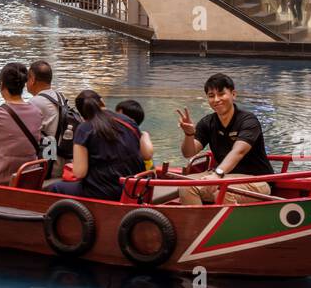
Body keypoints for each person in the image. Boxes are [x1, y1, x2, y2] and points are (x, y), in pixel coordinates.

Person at [176, 73, 276, 205]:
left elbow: (238, 152)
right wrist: (188, 135)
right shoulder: (207, 122)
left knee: (224, 191)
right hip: (224, 176)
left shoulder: (248, 120)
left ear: (233, 94)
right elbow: (188, 153)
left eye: (221, 94)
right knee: (186, 186)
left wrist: (217, 174)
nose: (216, 99)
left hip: (256, 179)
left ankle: (227, 225)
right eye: (211, 96)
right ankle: (200, 224)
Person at [47, 91, 143, 200]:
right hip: (135, 187)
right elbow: (144, 153)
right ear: (102, 101)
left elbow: (79, 173)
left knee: (55, 187)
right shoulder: (128, 121)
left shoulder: (84, 128)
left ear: (82, 115)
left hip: (104, 192)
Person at [27, 59, 69, 164]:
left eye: (27, 79)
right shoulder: (60, 96)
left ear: (32, 79)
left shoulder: (34, 102)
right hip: (63, 158)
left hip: (48, 164)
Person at [114, 99, 154, 169]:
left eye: (119, 116)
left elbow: (147, 155)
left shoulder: (142, 135)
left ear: (131, 120)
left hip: (141, 173)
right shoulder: (112, 133)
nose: (114, 119)